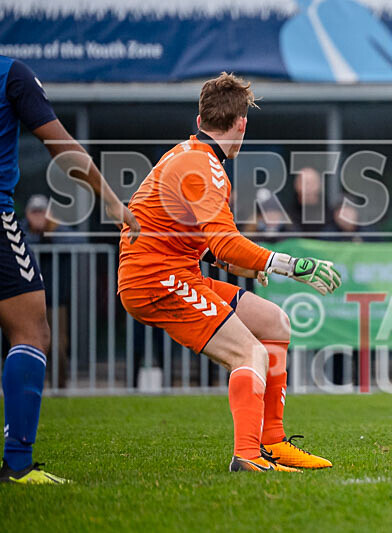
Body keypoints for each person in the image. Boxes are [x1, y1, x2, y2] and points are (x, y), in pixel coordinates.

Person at [117, 72, 341, 473]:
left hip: (174, 272)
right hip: (157, 280)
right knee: (249, 352)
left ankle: (271, 441)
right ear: (242, 124)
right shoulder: (203, 166)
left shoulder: (189, 153)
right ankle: (247, 456)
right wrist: (293, 265)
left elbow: (202, 242)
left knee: (274, 322)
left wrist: (243, 265)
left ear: (200, 121)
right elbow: (224, 243)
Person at [0, 56, 139, 484]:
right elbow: (61, 147)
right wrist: (112, 200)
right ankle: (18, 464)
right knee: (31, 332)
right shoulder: (10, 73)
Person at [21, 194, 85, 389]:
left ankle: (59, 387)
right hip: (27, 300)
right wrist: (36, 233)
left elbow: (79, 242)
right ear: (27, 213)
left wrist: (49, 231)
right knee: (26, 342)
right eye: (35, 212)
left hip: (56, 297)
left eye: (43, 211)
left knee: (57, 344)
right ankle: (29, 387)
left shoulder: (59, 228)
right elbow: (15, 244)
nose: (39, 216)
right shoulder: (22, 229)